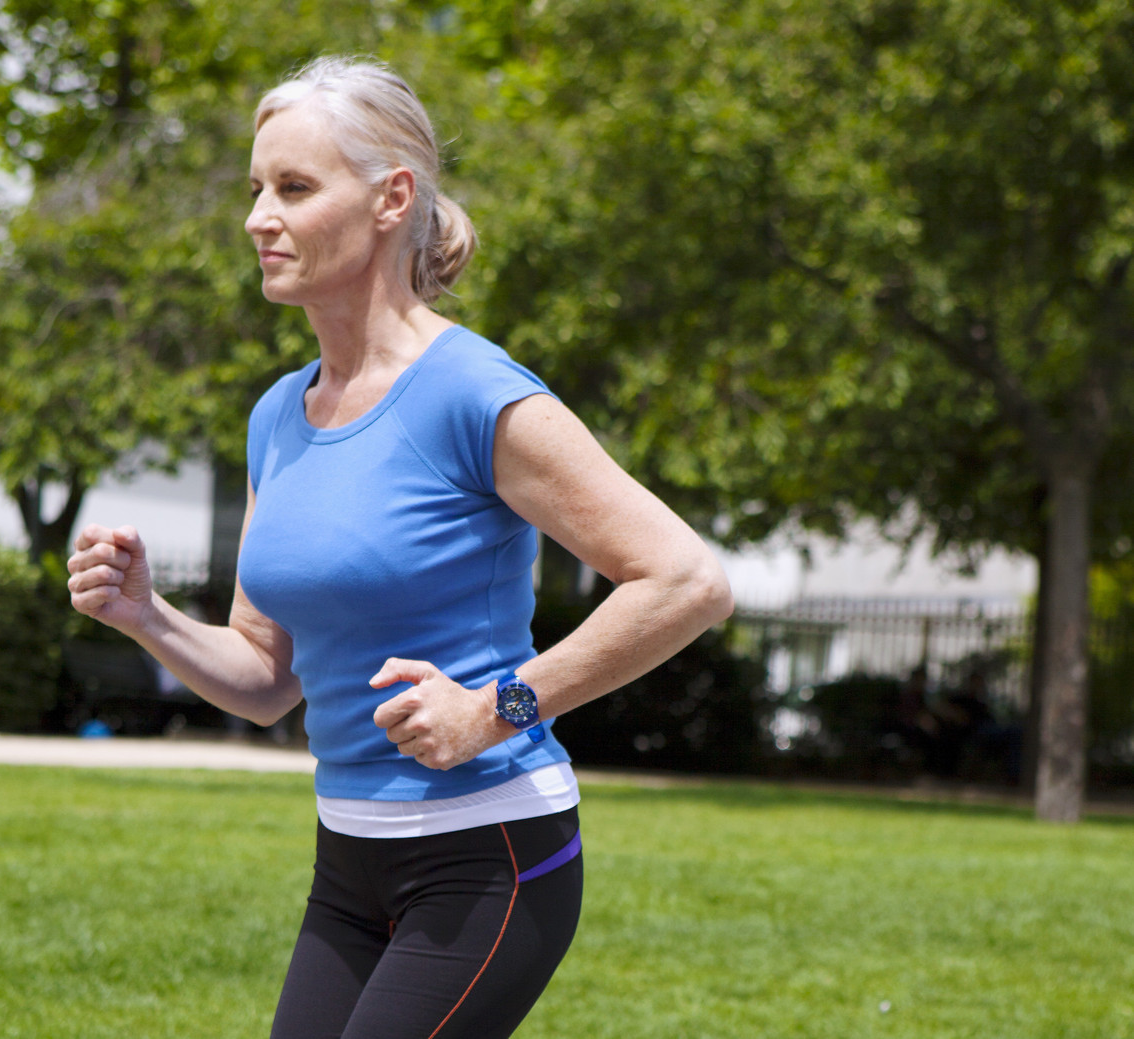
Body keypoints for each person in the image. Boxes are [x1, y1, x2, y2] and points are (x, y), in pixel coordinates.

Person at [66, 55, 734, 1039]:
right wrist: (146, 616)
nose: (259, 216)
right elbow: (265, 677)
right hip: (349, 862)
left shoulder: (473, 391)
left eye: (293, 188)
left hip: (491, 856)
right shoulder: (277, 417)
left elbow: (688, 579)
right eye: (256, 189)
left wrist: (494, 710)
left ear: (391, 199)